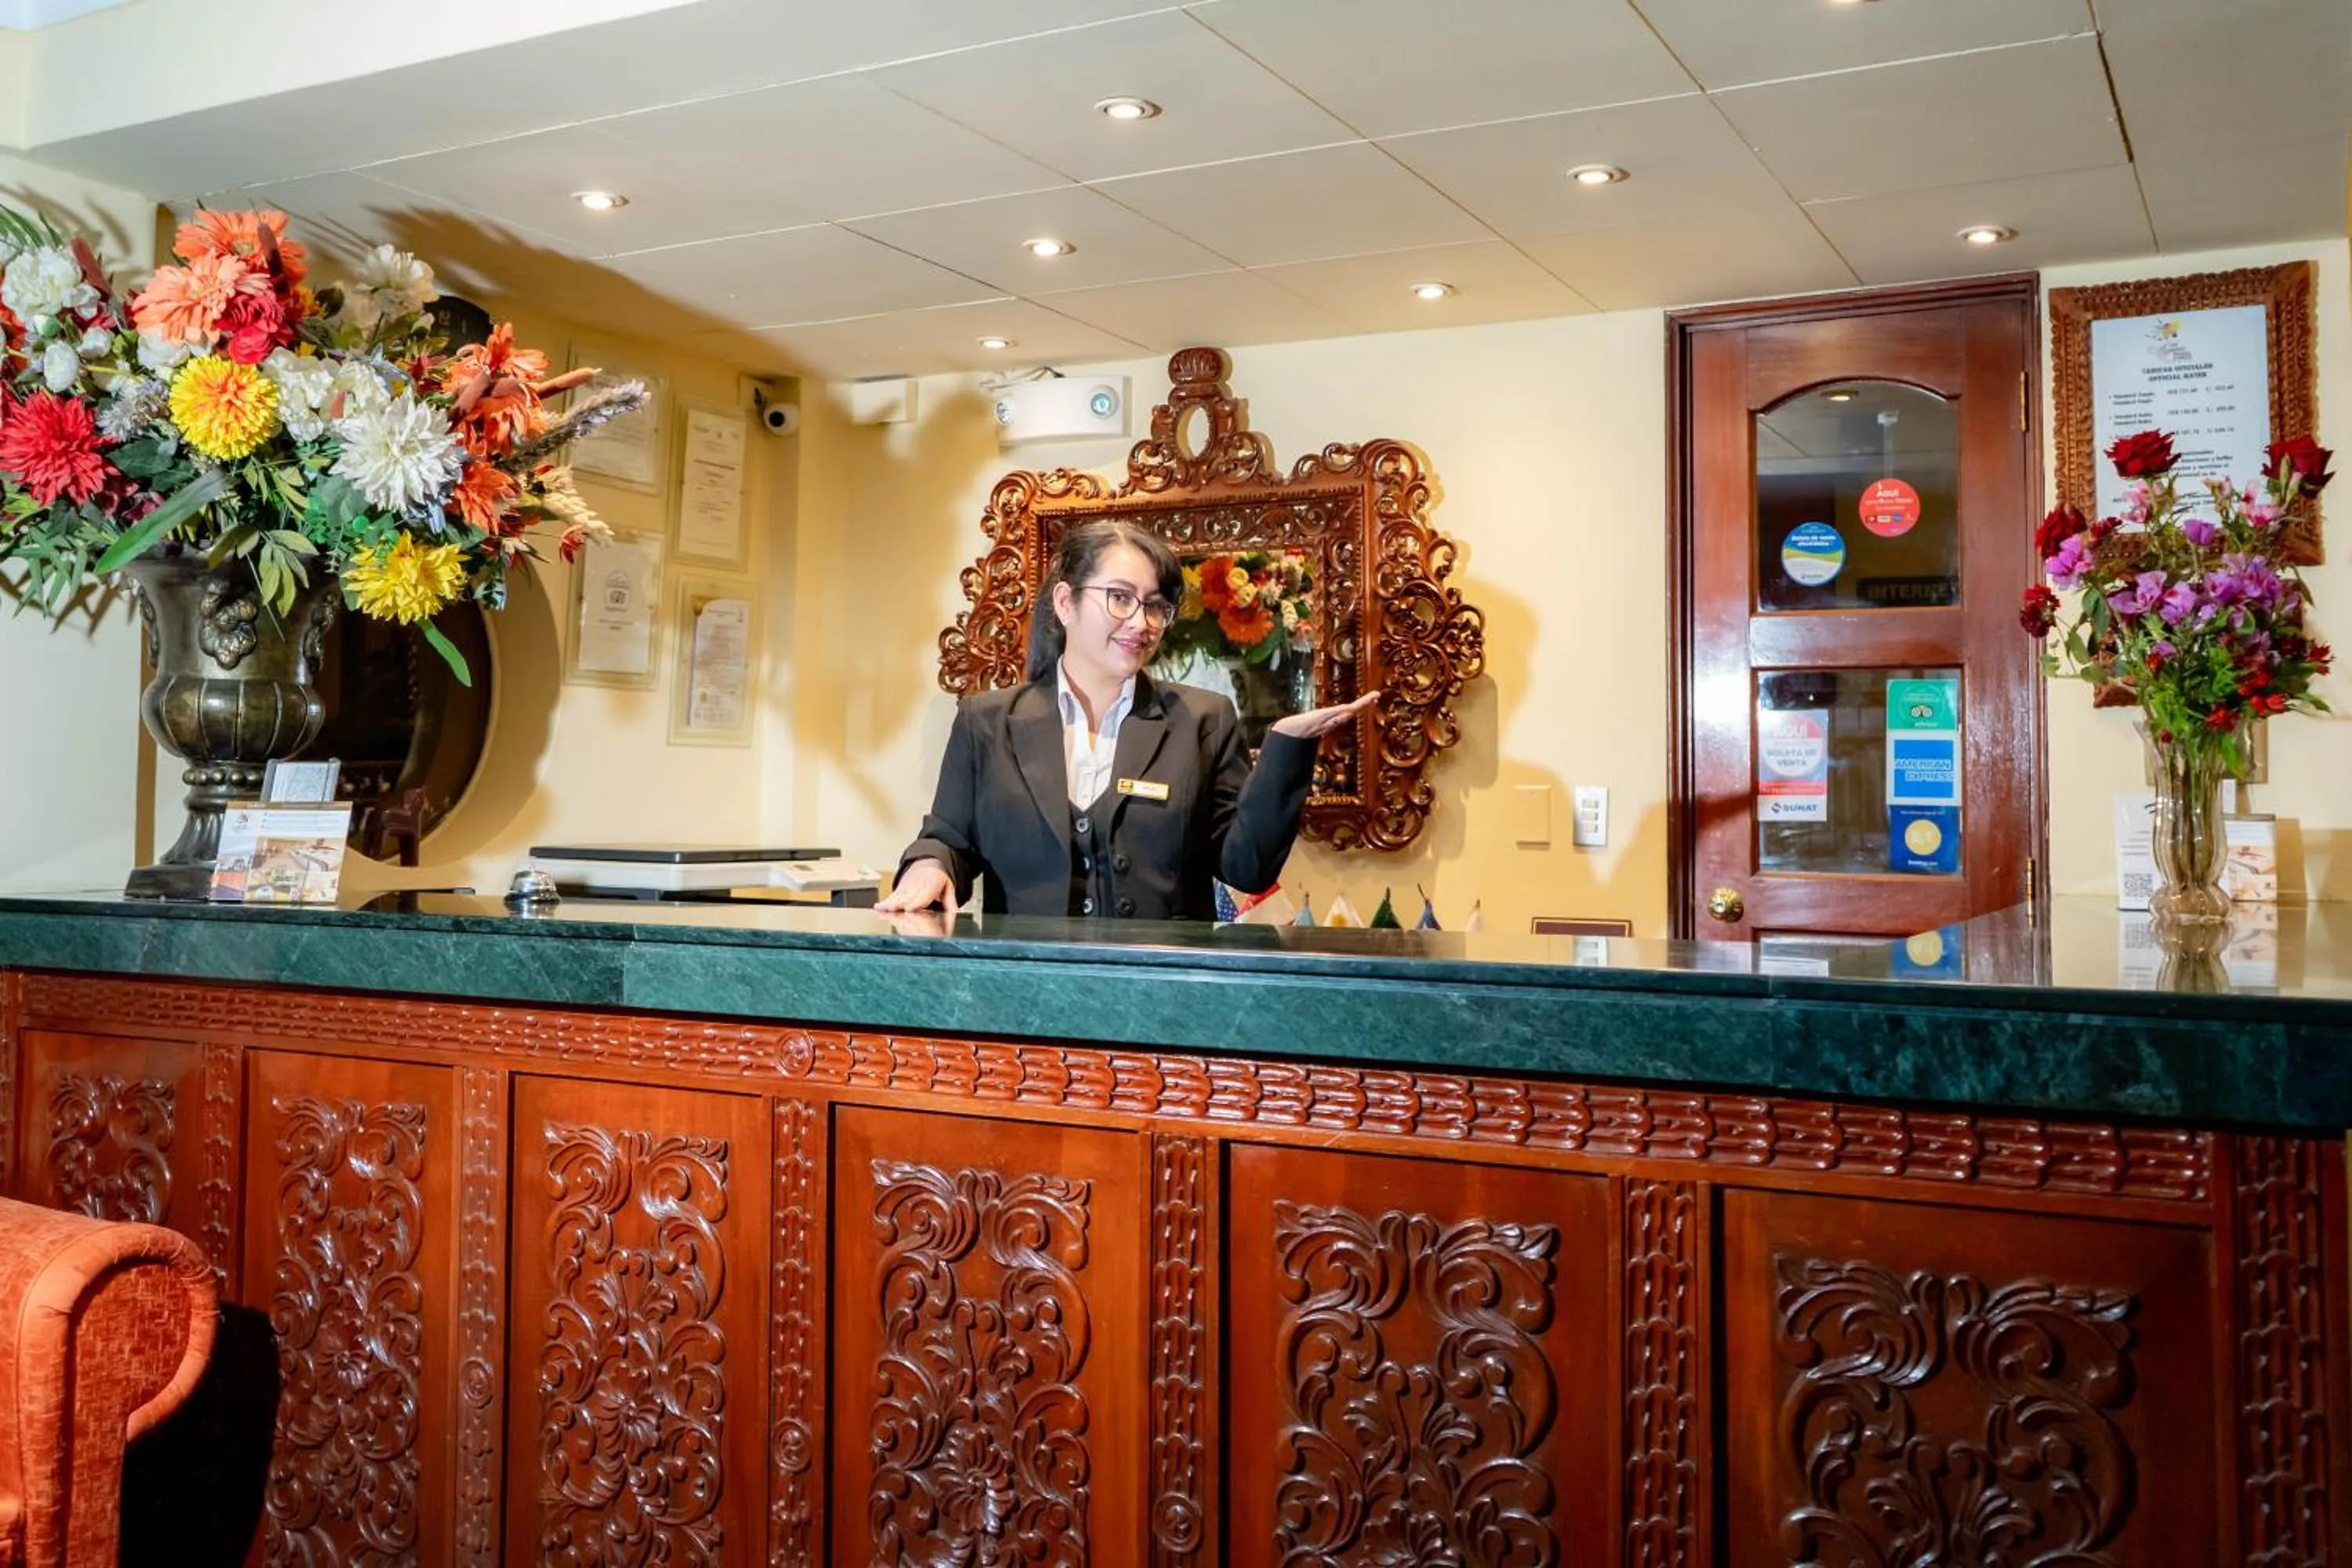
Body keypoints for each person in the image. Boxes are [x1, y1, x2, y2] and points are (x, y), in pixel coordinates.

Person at [877, 519, 1377, 920]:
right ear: (1066, 603)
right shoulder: (986, 722)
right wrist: (929, 866)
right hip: (1026, 998)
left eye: (1156, 607)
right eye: (1120, 598)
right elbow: (948, 838)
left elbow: (1245, 868)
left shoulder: (1203, 719)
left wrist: (1285, 749)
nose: (1141, 623)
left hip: (1164, 1000)